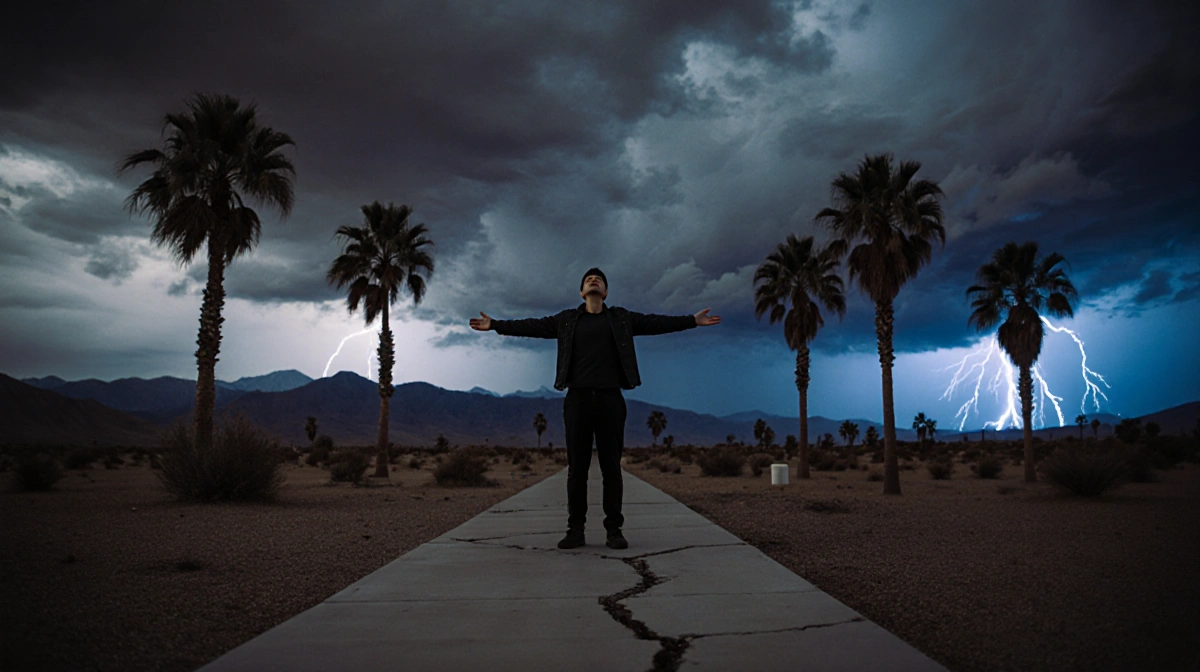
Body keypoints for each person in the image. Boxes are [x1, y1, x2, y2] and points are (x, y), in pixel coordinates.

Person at [469, 268, 720, 550]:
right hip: (577, 399)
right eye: (588, 279)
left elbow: (655, 322)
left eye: (598, 279)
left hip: (610, 399)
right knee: (577, 469)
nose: (593, 280)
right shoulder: (566, 320)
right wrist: (496, 325)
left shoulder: (621, 318)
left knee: (611, 468)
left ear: (606, 292)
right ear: (581, 292)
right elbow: (532, 326)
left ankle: (614, 530)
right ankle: (575, 530)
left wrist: (692, 321)